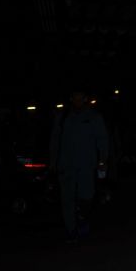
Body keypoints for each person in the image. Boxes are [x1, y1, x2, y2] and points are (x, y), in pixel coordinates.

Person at [50, 91, 109, 241]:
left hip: (86, 166)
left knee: (86, 196)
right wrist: (53, 162)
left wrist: (102, 161)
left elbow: (102, 141)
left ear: (85, 99)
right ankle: (71, 229)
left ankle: (83, 219)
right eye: (74, 97)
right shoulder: (62, 118)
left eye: (80, 97)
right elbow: (55, 141)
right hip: (66, 166)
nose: (77, 100)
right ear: (71, 98)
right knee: (67, 199)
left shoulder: (94, 117)